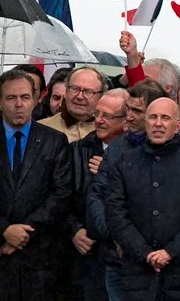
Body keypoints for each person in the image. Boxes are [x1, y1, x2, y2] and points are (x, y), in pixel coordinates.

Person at [0, 68, 73, 301]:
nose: (19, 104)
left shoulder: (55, 141)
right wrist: (4, 230)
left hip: (41, 259)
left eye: (25, 97)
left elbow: (61, 195)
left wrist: (23, 233)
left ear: (36, 100)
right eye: (11, 98)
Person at [104, 98, 180, 301]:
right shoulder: (125, 161)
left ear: (178, 126)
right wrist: (145, 253)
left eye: (165, 118)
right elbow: (116, 214)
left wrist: (170, 251)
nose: (158, 123)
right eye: (153, 117)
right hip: (138, 272)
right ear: (145, 122)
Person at [85, 79, 166, 301]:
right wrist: (117, 236)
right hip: (117, 259)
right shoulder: (117, 149)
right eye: (128, 109)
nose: (129, 116)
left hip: (160, 261)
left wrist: (138, 245)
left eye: (137, 111)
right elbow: (97, 195)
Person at [66, 89, 128, 301]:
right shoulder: (75, 151)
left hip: (121, 256)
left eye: (108, 116)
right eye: (97, 114)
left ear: (127, 119)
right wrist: (73, 230)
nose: (99, 121)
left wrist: (113, 172)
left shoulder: (137, 155)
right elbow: (60, 196)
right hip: (82, 254)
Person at [40, 67, 105, 142]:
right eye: (74, 89)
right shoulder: (41, 128)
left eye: (88, 92)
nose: (80, 96)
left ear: (101, 97)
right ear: (66, 91)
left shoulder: (110, 132)